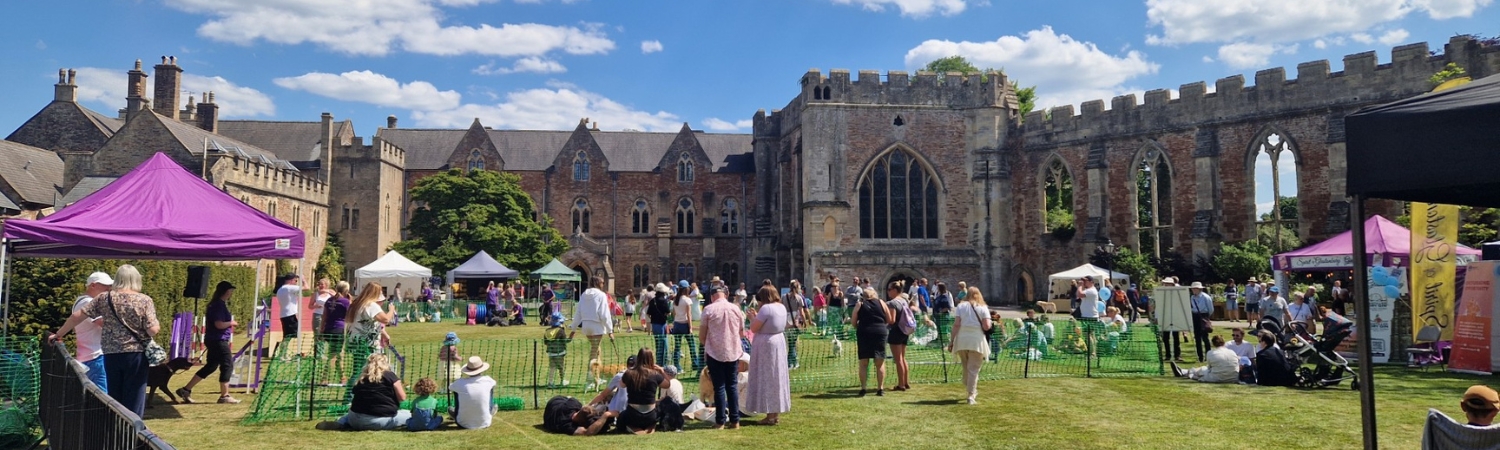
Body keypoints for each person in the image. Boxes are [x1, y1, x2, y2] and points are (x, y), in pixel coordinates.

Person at [50, 264, 159, 417]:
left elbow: (77, 316)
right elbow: (152, 330)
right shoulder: (145, 300)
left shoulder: (104, 298)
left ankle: (114, 435)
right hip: (136, 354)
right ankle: (132, 436)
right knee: (134, 399)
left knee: (114, 399)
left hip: (111, 354)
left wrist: (58, 334)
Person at [177, 281, 241, 404]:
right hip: (219, 340)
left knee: (211, 366)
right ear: (227, 291)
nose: (231, 293)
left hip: (213, 339)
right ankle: (225, 396)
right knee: (227, 365)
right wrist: (231, 323)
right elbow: (219, 324)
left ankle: (186, 389)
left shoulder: (215, 304)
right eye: (230, 291)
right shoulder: (219, 306)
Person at [321, 353, 409, 430]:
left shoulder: (362, 378)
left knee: (348, 416)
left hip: (354, 419)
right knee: (407, 414)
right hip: (379, 420)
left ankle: (340, 423)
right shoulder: (390, 375)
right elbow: (402, 397)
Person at [699, 284, 746, 429]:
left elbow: (702, 335)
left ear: (712, 296)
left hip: (715, 352)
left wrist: (708, 345)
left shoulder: (708, 309)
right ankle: (735, 421)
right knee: (732, 386)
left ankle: (720, 421)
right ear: (725, 295)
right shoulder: (736, 309)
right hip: (733, 351)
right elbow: (742, 332)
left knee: (719, 386)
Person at [745, 286, 791, 425]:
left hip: (766, 344)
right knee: (776, 376)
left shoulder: (766, 309)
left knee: (767, 377)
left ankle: (770, 415)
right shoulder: (781, 307)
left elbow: (754, 328)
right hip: (779, 341)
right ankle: (774, 413)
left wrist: (752, 317)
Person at [948, 286, 991, 404]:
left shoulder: (961, 306)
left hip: (962, 339)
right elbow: (987, 326)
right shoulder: (983, 307)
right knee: (973, 369)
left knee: (967, 367)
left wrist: (951, 341)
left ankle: (970, 388)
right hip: (976, 340)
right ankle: (971, 395)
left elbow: (956, 325)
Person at [71, 272, 112, 393]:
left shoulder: (82, 300)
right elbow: (104, 323)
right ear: (93, 285)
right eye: (105, 286)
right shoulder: (87, 302)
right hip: (94, 356)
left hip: (90, 355)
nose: (108, 289)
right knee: (102, 397)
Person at [618, 349, 672, 434]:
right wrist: (661, 371)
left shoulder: (629, 373)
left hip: (633, 415)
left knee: (622, 415)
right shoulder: (655, 374)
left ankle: (632, 428)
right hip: (651, 416)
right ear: (651, 359)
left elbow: (621, 385)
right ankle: (651, 426)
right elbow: (668, 384)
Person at [852, 285, 893, 397]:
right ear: (874, 295)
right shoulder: (882, 303)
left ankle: (863, 388)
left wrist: (859, 327)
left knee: (864, 363)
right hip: (880, 332)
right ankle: (880, 389)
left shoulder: (859, 304)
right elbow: (889, 319)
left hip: (864, 332)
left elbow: (853, 322)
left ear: (864, 296)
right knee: (879, 362)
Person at [571, 276, 615, 370]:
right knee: (594, 351)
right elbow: (604, 314)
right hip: (596, 327)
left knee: (597, 349)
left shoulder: (583, 294)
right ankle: (590, 378)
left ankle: (598, 374)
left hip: (586, 326)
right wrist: (610, 330)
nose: (603, 284)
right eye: (602, 282)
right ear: (598, 283)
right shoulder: (601, 295)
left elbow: (578, 312)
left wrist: (573, 328)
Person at [450, 356, 498, 430]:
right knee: (490, 390)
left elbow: (450, 387)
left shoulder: (460, 382)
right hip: (485, 422)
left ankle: (460, 412)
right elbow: (494, 383)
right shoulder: (488, 380)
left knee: (456, 395)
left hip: (462, 423)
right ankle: (488, 411)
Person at [348, 282, 397, 352]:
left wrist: (384, 334)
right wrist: (391, 309)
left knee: (359, 362)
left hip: (355, 341)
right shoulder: (371, 305)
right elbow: (386, 320)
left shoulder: (357, 304)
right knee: (373, 362)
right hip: (368, 344)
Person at [885, 281, 915, 392]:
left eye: (889, 289)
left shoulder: (892, 303)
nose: (888, 292)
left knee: (898, 360)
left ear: (894, 290)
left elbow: (892, 320)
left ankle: (901, 384)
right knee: (902, 358)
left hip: (896, 331)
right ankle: (906, 382)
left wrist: (884, 319)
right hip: (904, 331)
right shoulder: (904, 301)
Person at [1170, 335, 1239, 383]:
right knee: (1203, 370)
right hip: (1234, 377)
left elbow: (1209, 367)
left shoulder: (1211, 353)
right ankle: (1183, 372)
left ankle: (1186, 372)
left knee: (1202, 370)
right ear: (1224, 343)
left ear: (1213, 344)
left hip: (1217, 378)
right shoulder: (1232, 352)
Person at [318, 281, 352, 374]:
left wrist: (321, 330)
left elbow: (324, 316)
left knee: (337, 354)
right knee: (333, 355)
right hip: (339, 330)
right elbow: (351, 315)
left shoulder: (329, 300)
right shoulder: (345, 302)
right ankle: (324, 377)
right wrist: (350, 301)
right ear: (346, 290)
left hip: (328, 329)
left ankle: (342, 377)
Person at [671, 283, 700, 370]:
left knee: (677, 346)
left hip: (677, 324)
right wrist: (690, 327)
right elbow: (689, 315)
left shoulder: (676, 299)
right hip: (685, 324)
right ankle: (695, 364)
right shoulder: (687, 300)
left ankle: (677, 366)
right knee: (692, 345)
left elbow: (674, 313)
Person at [276, 274, 303, 356]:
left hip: (285, 314)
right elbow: (307, 287)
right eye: (295, 281)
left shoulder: (281, 289)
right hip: (289, 314)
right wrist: (304, 279)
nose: (296, 283)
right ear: (291, 280)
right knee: (288, 336)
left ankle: (283, 354)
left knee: (288, 336)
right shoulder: (288, 287)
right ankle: (282, 354)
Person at [544, 312, 572, 387]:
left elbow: (545, 342)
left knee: (552, 367)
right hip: (559, 353)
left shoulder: (547, 331)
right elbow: (566, 341)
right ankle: (562, 381)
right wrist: (572, 335)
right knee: (561, 367)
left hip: (551, 353)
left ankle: (550, 382)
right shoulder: (560, 331)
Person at [647, 283, 673, 362]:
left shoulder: (652, 301)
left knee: (657, 343)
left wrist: (654, 318)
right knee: (663, 342)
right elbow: (668, 313)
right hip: (662, 324)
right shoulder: (664, 301)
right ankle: (663, 360)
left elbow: (648, 313)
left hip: (654, 324)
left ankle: (659, 359)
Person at [1189, 282, 1213, 362]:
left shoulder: (1206, 297)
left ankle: (1208, 355)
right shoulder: (1192, 297)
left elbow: (1210, 309)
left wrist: (1206, 318)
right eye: (1193, 288)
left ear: (1199, 289)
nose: (1193, 290)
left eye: (1195, 288)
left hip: (1204, 315)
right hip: (1195, 316)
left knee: (1205, 337)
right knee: (1197, 337)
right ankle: (1200, 357)